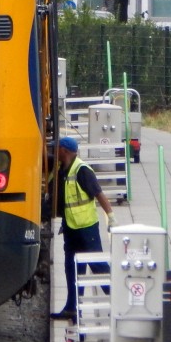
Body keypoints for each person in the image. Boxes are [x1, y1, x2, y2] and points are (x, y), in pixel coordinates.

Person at [51, 135, 114, 321]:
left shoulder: (82, 170)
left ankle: (119, 301)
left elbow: (99, 194)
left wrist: (111, 217)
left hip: (87, 229)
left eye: (57, 148)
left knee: (98, 267)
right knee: (71, 268)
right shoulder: (62, 171)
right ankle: (71, 307)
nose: (55, 152)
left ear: (65, 150)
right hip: (71, 229)